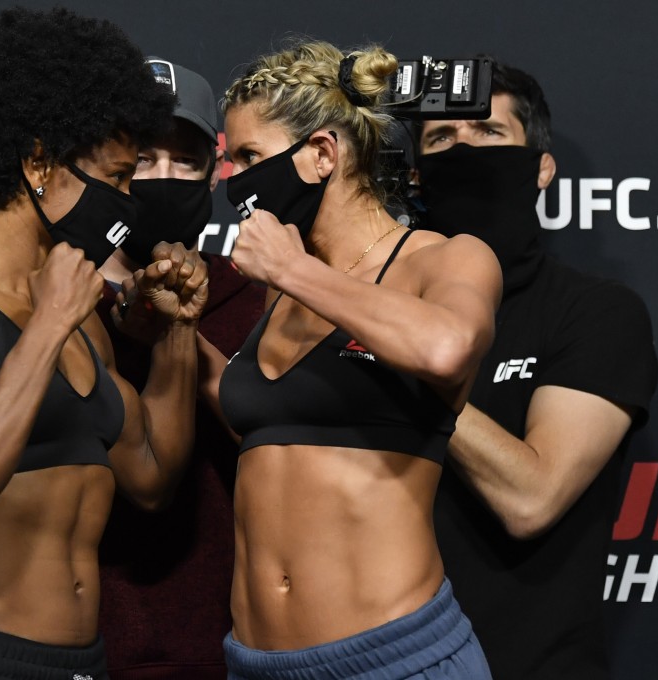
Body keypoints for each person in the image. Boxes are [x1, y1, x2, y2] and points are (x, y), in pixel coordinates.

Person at [0, 8, 209, 680]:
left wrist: (177, 332)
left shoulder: (77, 309)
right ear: (37, 163)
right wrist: (49, 325)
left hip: (85, 663)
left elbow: (150, 476)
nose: (127, 202)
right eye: (113, 178)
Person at [214, 40, 502, 679]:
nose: (230, 181)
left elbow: (445, 347)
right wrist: (172, 333)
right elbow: (279, 434)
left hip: (392, 658)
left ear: (321, 154)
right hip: (255, 661)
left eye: (249, 157)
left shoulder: (445, 258)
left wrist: (289, 268)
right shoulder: (283, 290)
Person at [416, 60, 658, 680]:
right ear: (415, 174)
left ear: (542, 167)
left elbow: (531, 499)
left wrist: (401, 359)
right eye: (442, 138)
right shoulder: (382, 307)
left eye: (489, 133)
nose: (464, 150)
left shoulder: (596, 311)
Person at [95, 59, 265, 679]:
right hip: (88, 643)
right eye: (143, 159)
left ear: (214, 173)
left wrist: (180, 325)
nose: (162, 178)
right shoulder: (60, 302)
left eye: (183, 161)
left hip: (232, 643)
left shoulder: (255, 298)